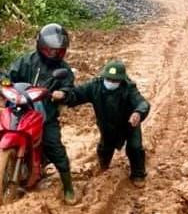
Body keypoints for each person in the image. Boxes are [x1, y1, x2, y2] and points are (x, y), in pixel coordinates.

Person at [0, 23, 77, 205]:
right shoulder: (27, 61)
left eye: (58, 51)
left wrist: (63, 93)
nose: (53, 53)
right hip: (19, 106)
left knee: (54, 146)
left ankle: (68, 188)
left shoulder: (64, 70)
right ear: (40, 45)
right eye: (49, 49)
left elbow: (68, 88)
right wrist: (0, 83)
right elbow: (9, 76)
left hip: (45, 113)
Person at [52, 59, 150, 187]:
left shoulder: (129, 88)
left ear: (121, 80)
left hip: (129, 124)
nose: (111, 83)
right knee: (105, 148)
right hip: (107, 125)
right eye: (108, 79)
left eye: (115, 81)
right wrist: (64, 95)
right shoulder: (95, 86)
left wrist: (138, 113)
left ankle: (138, 174)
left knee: (135, 147)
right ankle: (103, 166)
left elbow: (143, 103)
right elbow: (77, 94)